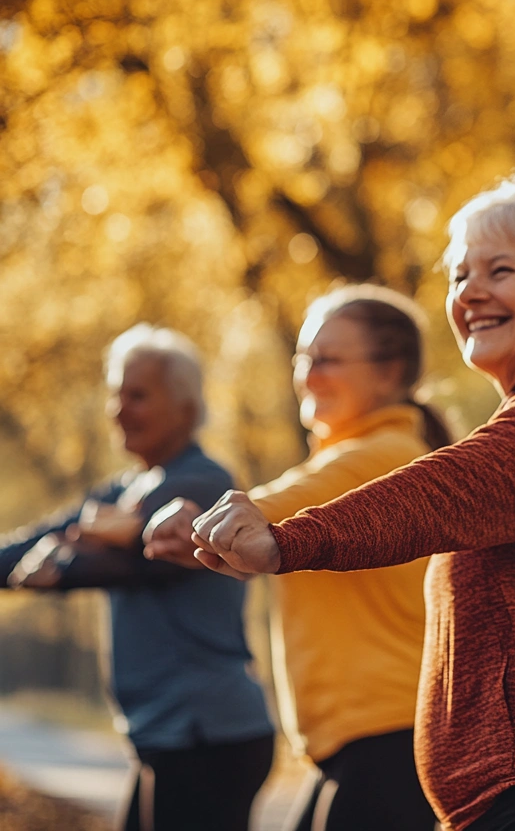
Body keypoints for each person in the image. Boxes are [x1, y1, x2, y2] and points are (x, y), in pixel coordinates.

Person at [180, 176, 515, 831]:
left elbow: (442, 491)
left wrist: (286, 539)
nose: (469, 293)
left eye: (500, 270)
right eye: (459, 275)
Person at [145, 286, 447, 831]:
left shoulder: (388, 456)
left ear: (388, 371)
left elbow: (269, 509)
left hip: (390, 734)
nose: (307, 375)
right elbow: (257, 539)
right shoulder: (347, 456)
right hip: (361, 741)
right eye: (303, 358)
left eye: (327, 359)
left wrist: (194, 522)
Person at [0, 324, 274, 831]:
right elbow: (33, 542)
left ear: (186, 408)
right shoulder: (123, 488)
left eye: (138, 395)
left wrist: (64, 566)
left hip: (207, 735)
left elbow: (149, 558)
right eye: (115, 394)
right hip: (165, 737)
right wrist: (63, 549)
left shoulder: (203, 481)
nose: (119, 409)